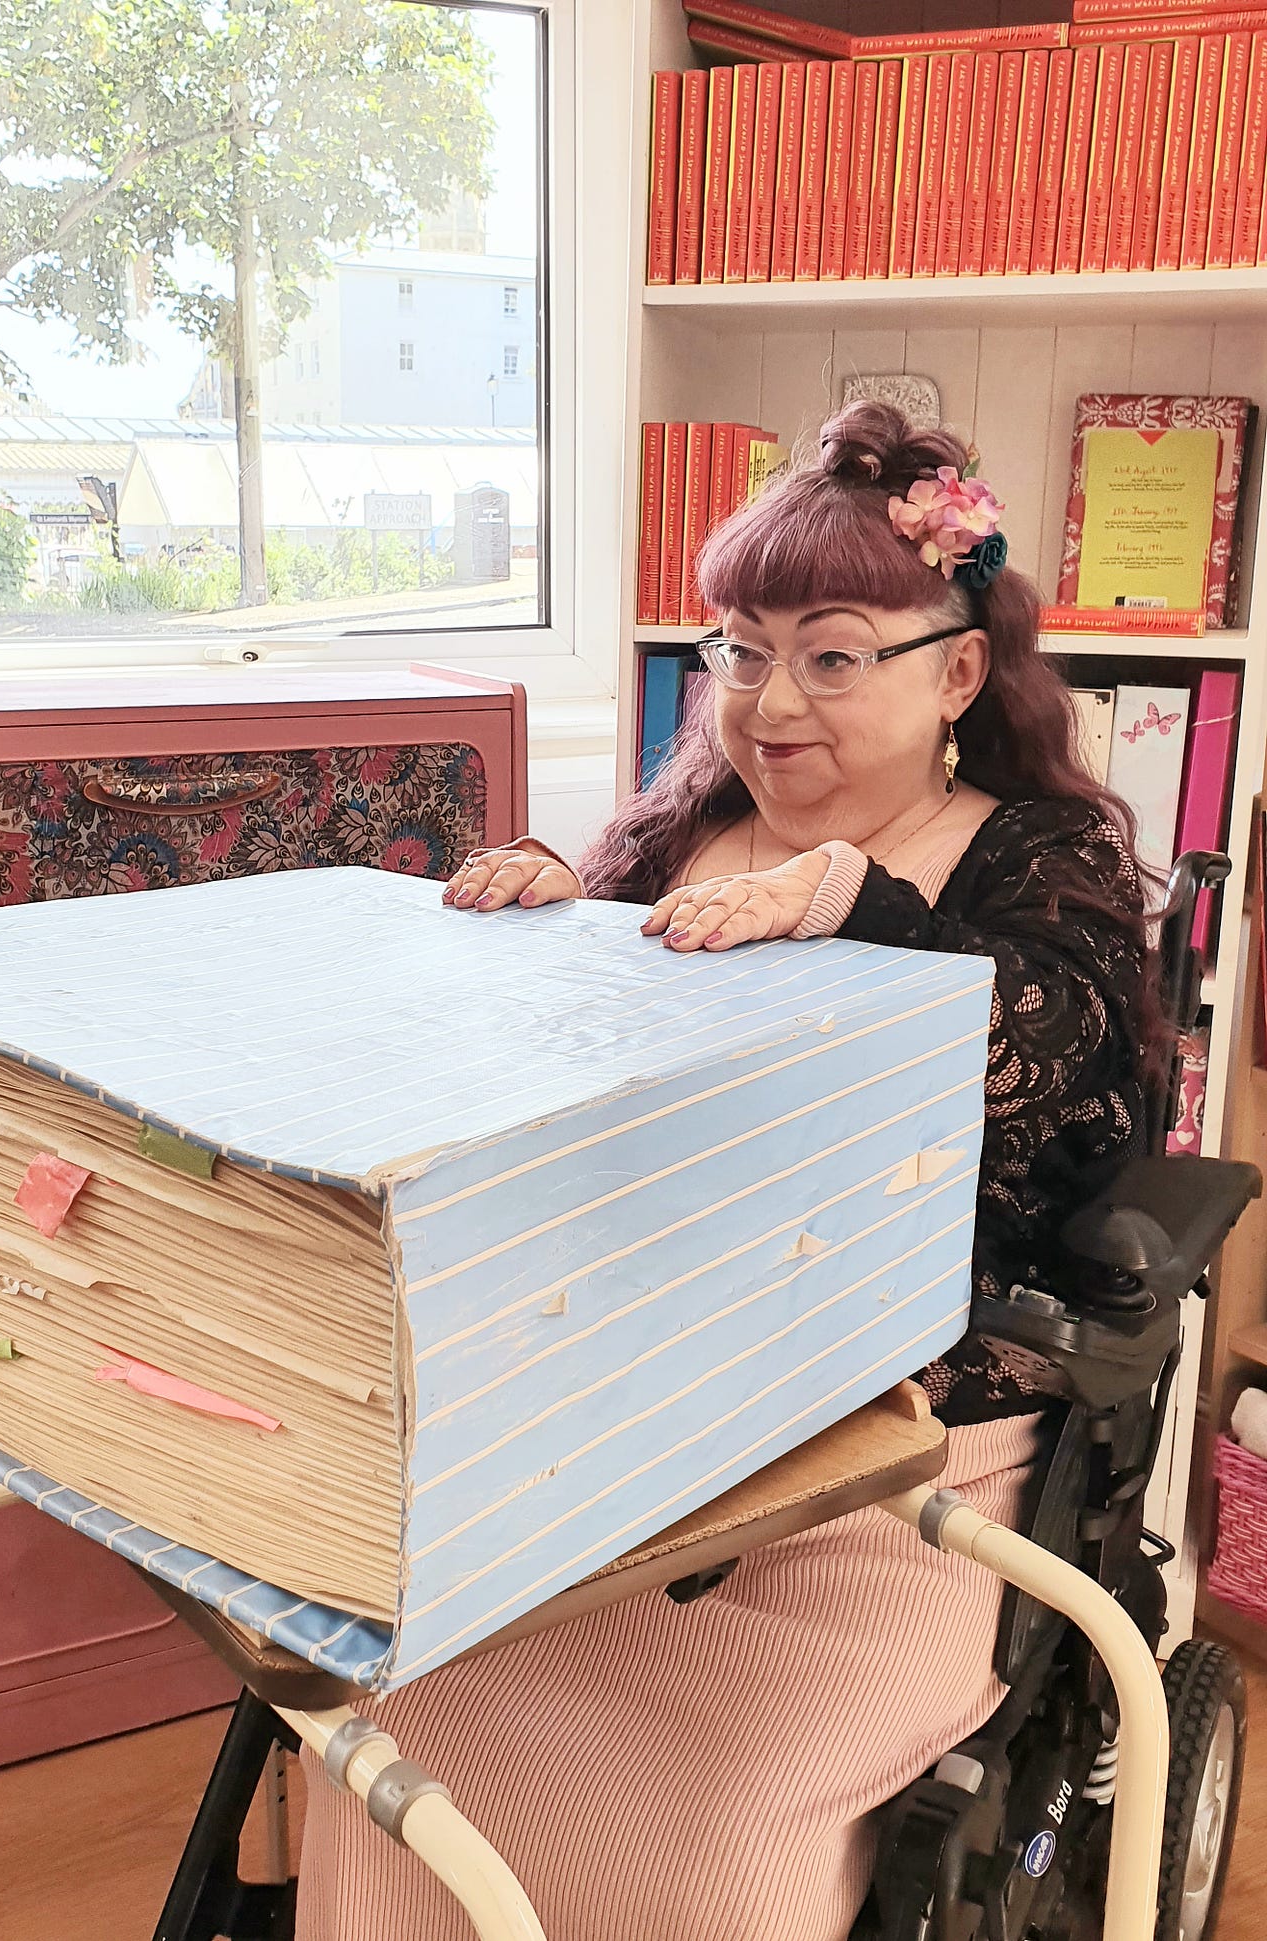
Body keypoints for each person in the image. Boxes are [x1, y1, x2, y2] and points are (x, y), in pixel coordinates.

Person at [294, 403, 1155, 1941]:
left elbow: (1060, 1057)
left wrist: (867, 907)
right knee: (397, 1725)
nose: (772, 702)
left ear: (959, 669)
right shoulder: (687, 830)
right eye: (742, 651)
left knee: (718, 1840)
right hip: (628, 1435)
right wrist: (551, 919)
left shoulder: (1029, 857)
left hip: (892, 1470)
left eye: (833, 653)